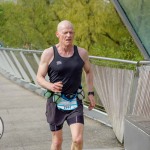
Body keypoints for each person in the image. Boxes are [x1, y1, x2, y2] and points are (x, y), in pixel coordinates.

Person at [36, 20, 96, 150]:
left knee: (78, 139)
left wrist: (91, 93)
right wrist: (50, 85)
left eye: (71, 32)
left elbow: (89, 71)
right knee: (57, 142)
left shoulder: (81, 53)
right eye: (65, 33)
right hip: (55, 102)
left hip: (75, 101)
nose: (68, 35)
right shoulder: (49, 53)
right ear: (58, 34)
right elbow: (39, 77)